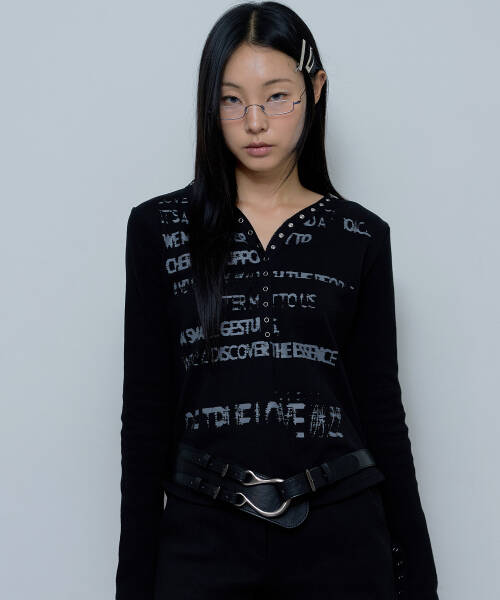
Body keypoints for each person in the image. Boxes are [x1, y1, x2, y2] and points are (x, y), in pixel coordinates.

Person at [115, 2, 439, 599]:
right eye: (231, 99)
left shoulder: (361, 236)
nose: (255, 121)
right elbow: (145, 418)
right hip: (202, 540)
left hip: (342, 540)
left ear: (315, 90)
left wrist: (419, 579)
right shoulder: (159, 228)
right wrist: (133, 583)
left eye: (277, 96)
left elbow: (382, 414)